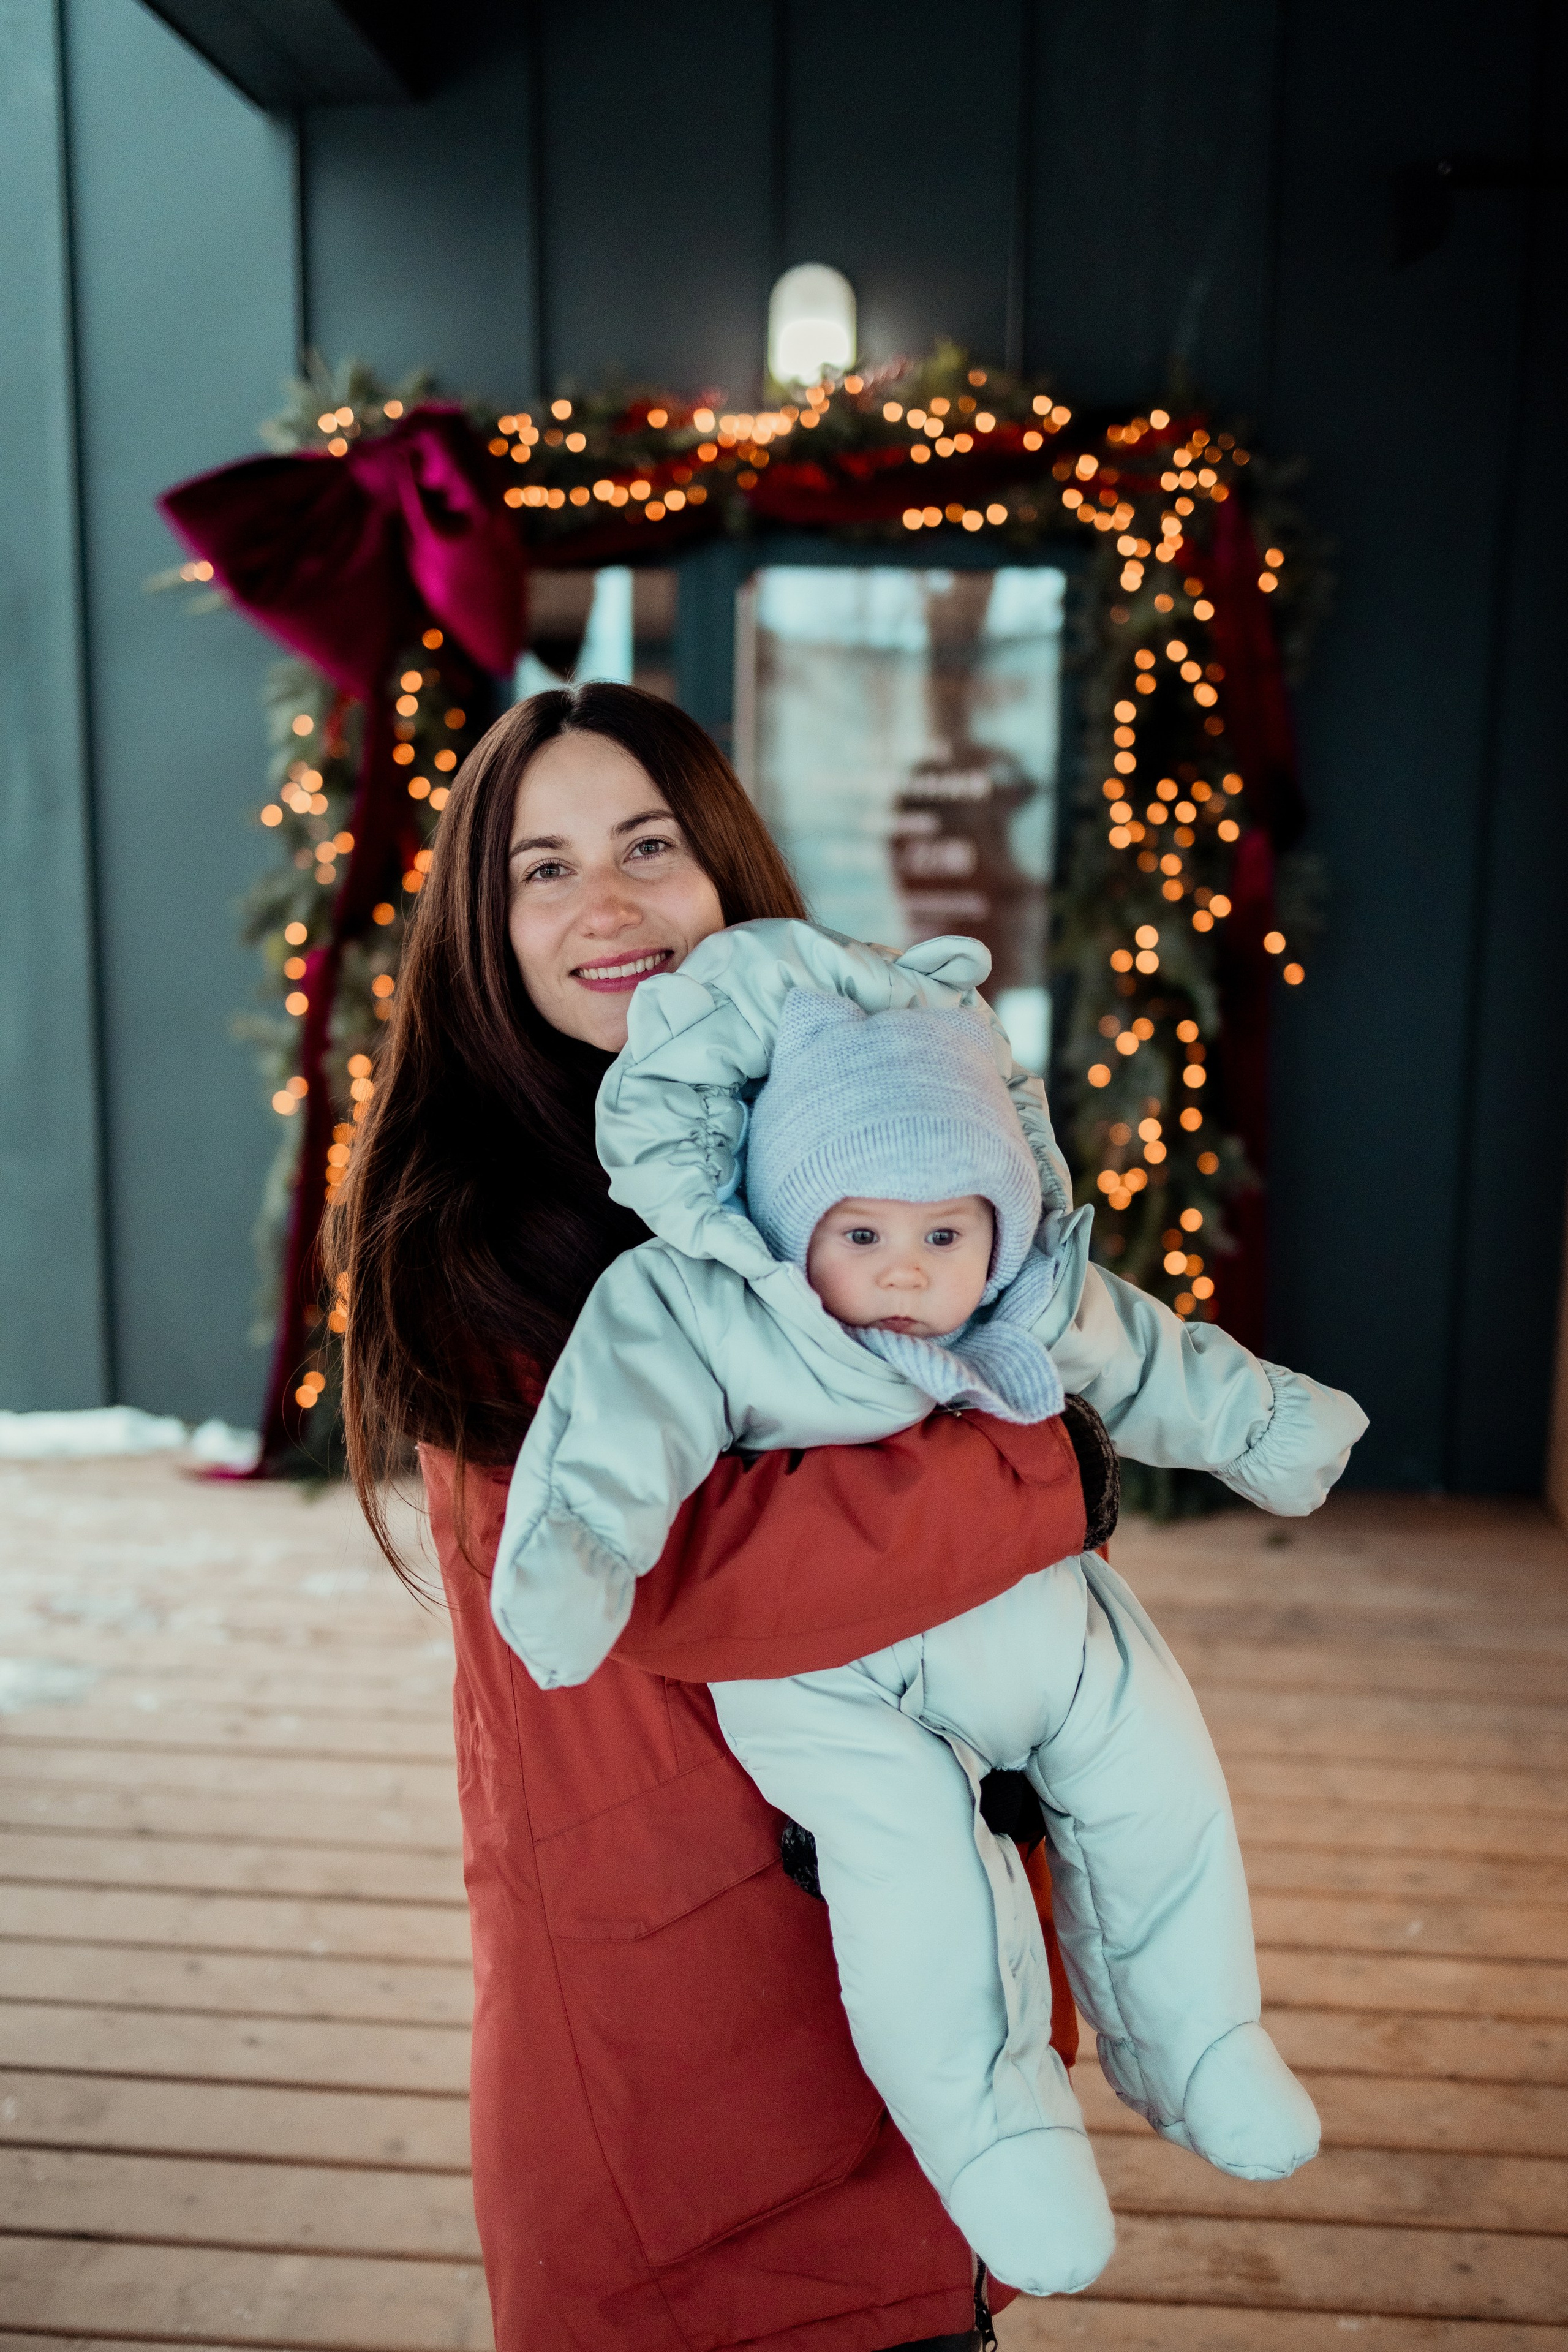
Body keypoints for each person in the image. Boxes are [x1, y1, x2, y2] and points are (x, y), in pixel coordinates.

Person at [328, 682, 1104, 2352]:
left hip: (889, 1926)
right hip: (684, 1998)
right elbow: (698, 1573)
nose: (605, 905)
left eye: (648, 846)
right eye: (541, 870)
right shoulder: (476, 1235)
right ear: (487, 929)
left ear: (730, 872)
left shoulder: (830, 1138)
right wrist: (1056, 1465)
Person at [489, 922, 1366, 2298]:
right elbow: (619, 1423)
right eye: (861, 1234)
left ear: (998, 1225)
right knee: (915, 1879)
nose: (905, 1271)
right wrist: (578, 1551)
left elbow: (1148, 1359)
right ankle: (995, 2133)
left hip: (1034, 1629)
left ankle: (1198, 2044)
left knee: (1158, 1779)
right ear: (791, 1223)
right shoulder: (712, 1302)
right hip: (827, 1684)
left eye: (944, 1233)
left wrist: (1264, 1425)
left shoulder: (1024, 1298)